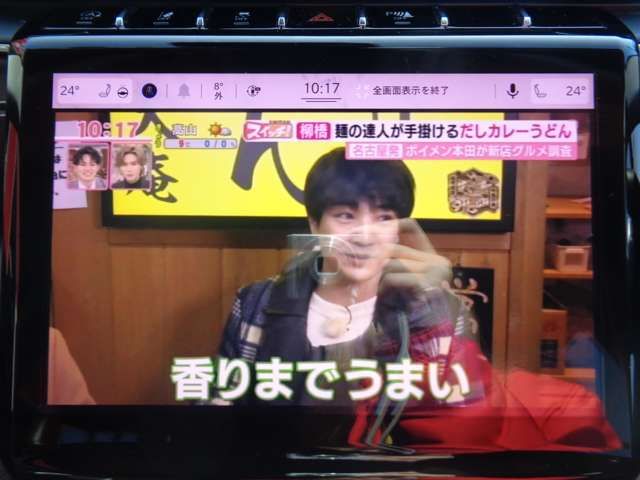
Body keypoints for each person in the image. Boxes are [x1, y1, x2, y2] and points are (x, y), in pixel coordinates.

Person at [214, 147, 621, 452]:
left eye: (383, 218)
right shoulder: (256, 303)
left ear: (401, 228)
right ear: (314, 224)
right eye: (345, 215)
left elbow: (467, 429)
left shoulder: (438, 309)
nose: (365, 235)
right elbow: (219, 415)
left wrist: (427, 307)